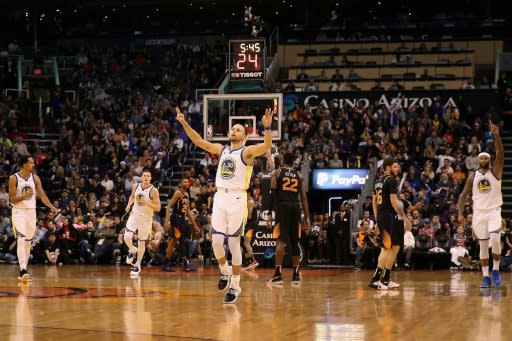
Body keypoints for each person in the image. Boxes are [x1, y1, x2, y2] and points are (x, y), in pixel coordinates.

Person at [176, 106, 273, 304]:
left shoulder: (247, 152)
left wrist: (268, 128)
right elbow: (199, 141)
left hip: (238, 199)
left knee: (234, 242)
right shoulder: (222, 149)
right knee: (216, 242)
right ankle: (224, 271)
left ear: (245, 136)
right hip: (220, 197)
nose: (233, 131)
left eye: (238, 129)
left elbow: (265, 147)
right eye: (232, 129)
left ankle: (235, 284)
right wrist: (184, 122)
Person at [457, 121, 504, 288]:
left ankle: (496, 270)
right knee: (483, 246)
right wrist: (460, 214)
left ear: (489, 160)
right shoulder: (472, 176)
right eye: (481, 157)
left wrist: (496, 135)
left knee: (496, 239)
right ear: (478, 159)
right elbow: (462, 196)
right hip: (479, 213)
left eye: (486, 157)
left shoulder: (495, 171)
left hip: (493, 211)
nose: (483, 159)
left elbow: (500, 153)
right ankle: (485, 276)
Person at [9, 155, 59, 282]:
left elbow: (42, 195)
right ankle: (23, 270)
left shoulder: (35, 178)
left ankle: (23, 271)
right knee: (20, 238)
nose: (33, 165)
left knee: (27, 242)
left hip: (31, 213)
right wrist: (24, 196)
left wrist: (51, 206)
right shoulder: (13, 178)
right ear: (24, 164)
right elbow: (12, 199)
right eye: (31, 163)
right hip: (19, 212)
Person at [267, 152, 310, 285]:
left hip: (283, 207)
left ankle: (278, 274)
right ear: (293, 163)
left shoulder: (278, 172)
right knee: (295, 241)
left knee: (280, 241)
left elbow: (272, 193)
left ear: (283, 161)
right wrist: (307, 217)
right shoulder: (299, 176)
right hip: (295, 208)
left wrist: (269, 213)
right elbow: (303, 197)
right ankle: (296, 275)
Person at [368, 158, 411, 290]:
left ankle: (386, 278)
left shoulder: (378, 181)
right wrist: (404, 217)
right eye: (395, 166)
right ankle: (375, 279)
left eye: (398, 166)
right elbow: (393, 201)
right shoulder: (391, 180)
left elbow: (374, 202)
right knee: (386, 247)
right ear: (387, 167)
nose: (397, 168)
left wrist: (377, 220)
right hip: (389, 217)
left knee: (396, 246)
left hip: (385, 216)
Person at [123, 168, 161, 277]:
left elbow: (158, 208)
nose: (146, 178)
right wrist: (128, 205)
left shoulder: (154, 190)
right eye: (144, 176)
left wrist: (146, 202)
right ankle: (132, 249)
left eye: (148, 176)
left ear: (151, 178)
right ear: (141, 177)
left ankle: (137, 264)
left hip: (146, 219)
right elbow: (132, 197)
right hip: (134, 215)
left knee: (141, 242)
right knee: (127, 237)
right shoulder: (136, 186)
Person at [161, 178, 200, 272]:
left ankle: (166, 263)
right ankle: (185, 264)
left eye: (188, 182)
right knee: (181, 240)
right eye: (185, 181)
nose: (187, 183)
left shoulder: (186, 195)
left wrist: (194, 225)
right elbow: (169, 206)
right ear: (180, 183)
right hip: (176, 218)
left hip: (182, 218)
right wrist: (167, 221)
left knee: (174, 241)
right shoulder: (178, 193)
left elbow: (189, 212)